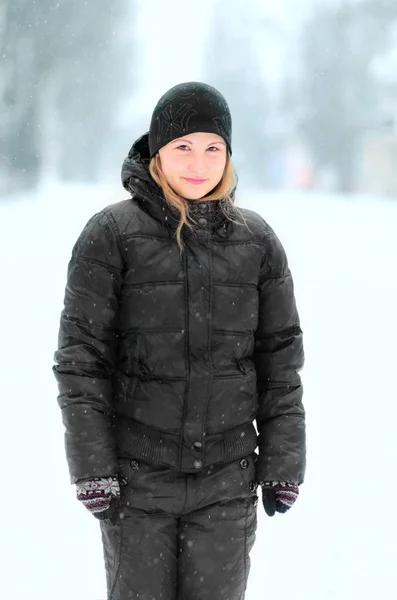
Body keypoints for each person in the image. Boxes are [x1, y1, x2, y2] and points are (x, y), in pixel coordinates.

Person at [53, 81, 306, 600]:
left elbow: (280, 362)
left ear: (229, 156)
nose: (199, 162)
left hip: (226, 485)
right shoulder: (111, 235)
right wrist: (92, 470)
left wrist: (282, 463)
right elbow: (81, 361)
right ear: (157, 154)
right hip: (137, 484)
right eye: (183, 147)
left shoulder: (257, 243)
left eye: (213, 147)